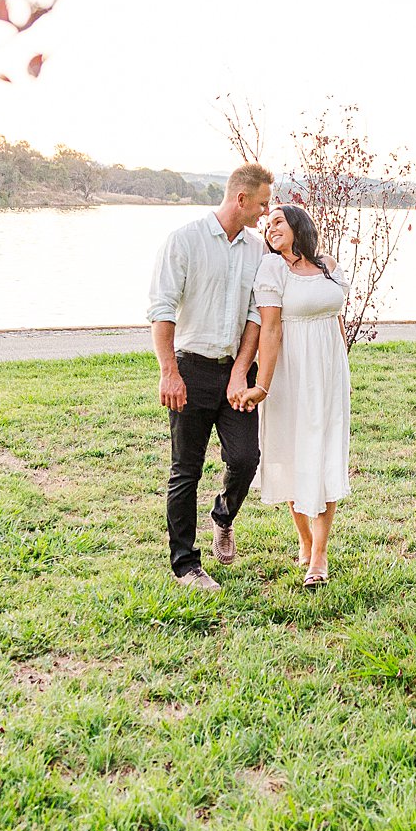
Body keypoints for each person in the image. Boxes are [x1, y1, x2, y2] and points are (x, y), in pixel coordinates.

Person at [146, 163, 273, 590]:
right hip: (191, 369)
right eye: (261, 203)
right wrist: (170, 372)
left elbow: (256, 316)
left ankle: (224, 515)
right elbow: (162, 310)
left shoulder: (258, 252)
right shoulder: (185, 241)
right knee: (186, 469)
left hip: (235, 372)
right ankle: (185, 565)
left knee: (245, 458)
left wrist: (241, 372)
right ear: (241, 199)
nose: (265, 211)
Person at [238, 204, 351, 587]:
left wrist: (338, 361)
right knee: (292, 452)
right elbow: (270, 330)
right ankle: (305, 540)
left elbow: (336, 317)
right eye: (267, 226)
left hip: (329, 372)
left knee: (324, 453)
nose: (271, 230)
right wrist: (262, 385)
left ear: (299, 226)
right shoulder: (272, 270)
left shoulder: (328, 266)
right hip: (290, 372)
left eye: (278, 222)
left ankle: (319, 556)